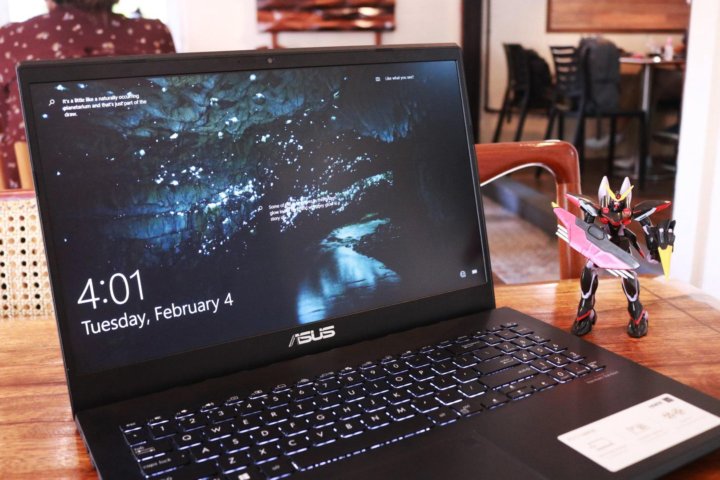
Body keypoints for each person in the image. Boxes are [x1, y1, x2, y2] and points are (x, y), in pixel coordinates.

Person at [0, 0, 175, 189]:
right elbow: (170, 112)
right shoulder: (152, 35)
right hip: (136, 184)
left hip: (28, 197)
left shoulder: (12, 39)